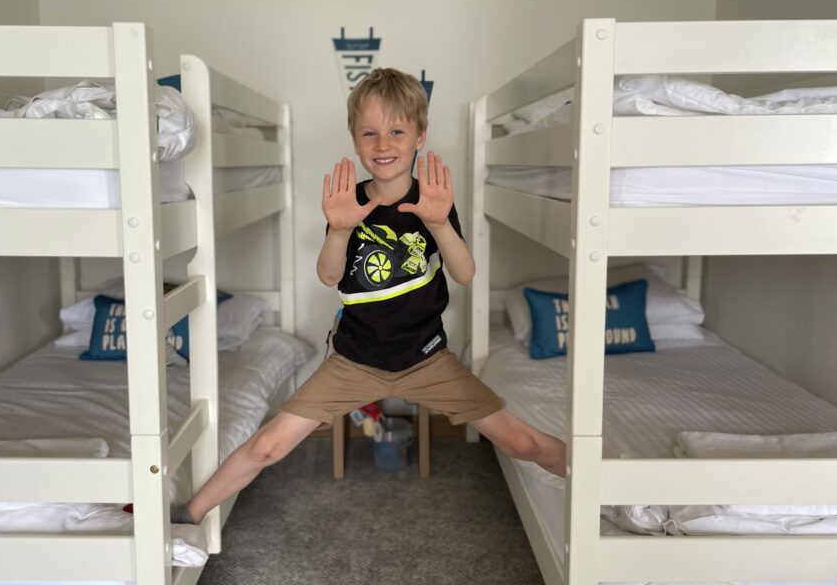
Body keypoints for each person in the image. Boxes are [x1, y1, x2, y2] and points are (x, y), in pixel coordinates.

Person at [174, 68, 566, 525]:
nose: (383, 144)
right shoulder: (347, 202)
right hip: (353, 360)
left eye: (397, 131)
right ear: (355, 141)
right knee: (267, 445)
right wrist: (339, 229)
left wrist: (439, 223)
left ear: (420, 136)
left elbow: (464, 272)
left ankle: (598, 489)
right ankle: (189, 514)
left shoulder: (433, 201)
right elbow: (328, 275)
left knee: (523, 442)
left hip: (427, 359)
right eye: (370, 133)